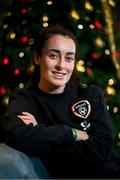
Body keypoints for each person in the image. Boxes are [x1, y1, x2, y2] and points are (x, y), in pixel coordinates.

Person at [1, 25, 120, 179]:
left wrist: (42, 136)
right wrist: (72, 133)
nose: (61, 65)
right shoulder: (24, 100)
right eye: (53, 55)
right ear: (37, 57)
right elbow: (17, 136)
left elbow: (102, 148)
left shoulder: (90, 94)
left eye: (69, 58)